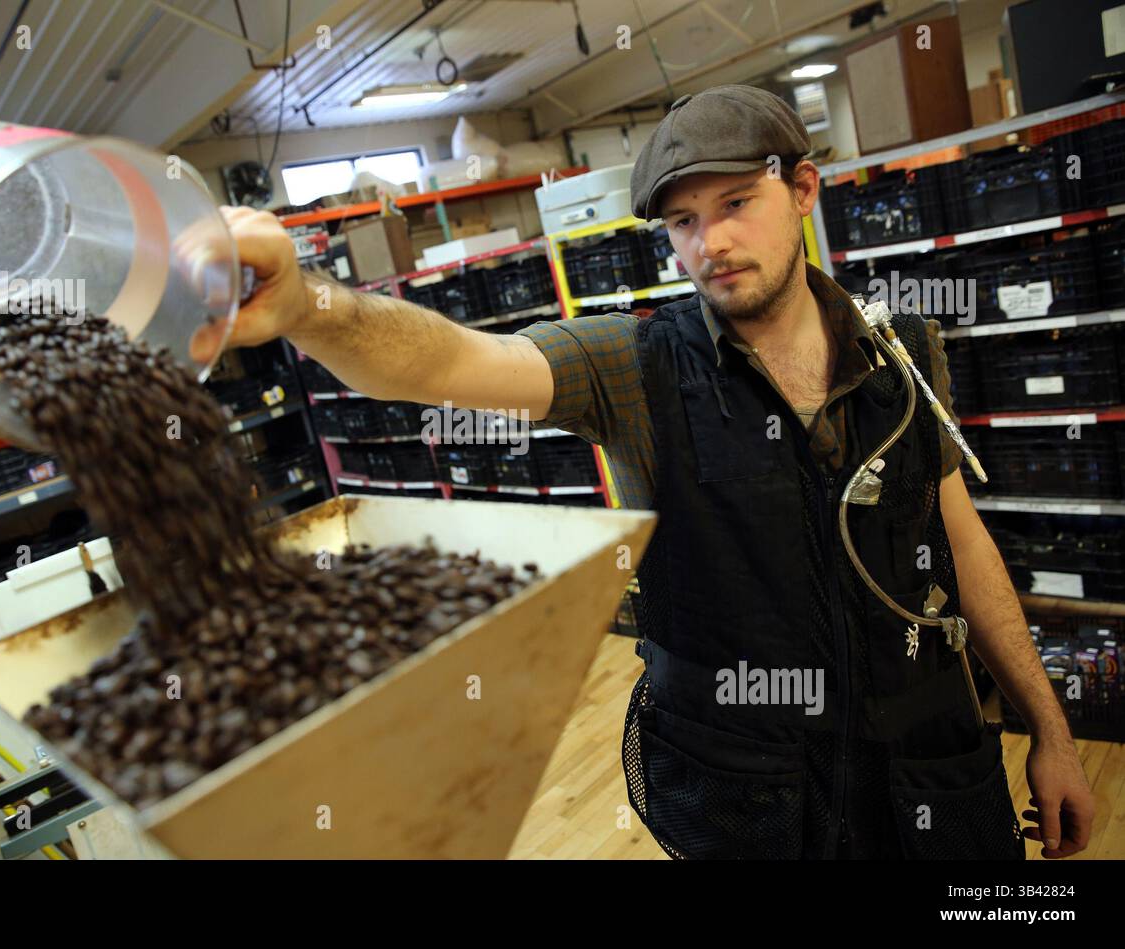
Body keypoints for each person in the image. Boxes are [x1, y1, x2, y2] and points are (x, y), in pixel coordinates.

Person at [205, 85, 1093, 860]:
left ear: (803, 188)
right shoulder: (631, 366)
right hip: (753, 804)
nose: (711, 242)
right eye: (684, 221)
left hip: (930, 777)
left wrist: (1049, 726)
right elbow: (443, 365)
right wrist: (305, 305)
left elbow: (963, 543)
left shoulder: (903, 356)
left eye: (737, 201)